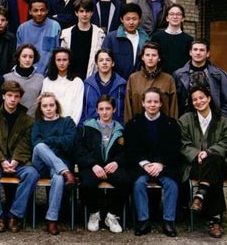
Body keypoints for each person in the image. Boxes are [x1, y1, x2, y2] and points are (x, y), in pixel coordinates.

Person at [178, 85, 227, 238]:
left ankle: (200, 196)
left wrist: (209, 152)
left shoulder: (222, 121)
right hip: (194, 165)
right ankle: (215, 220)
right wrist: (197, 153)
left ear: (209, 98)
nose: (199, 101)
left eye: (201, 98)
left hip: (219, 163)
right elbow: (181, 143)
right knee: (214, 171)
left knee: (214, 159)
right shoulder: (185, 120)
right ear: (191, 103)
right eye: (194, 100)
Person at [0, 80, 40, 233]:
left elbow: (26, 143)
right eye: (9, 95)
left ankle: (14, 215)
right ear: (3, 96)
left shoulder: (28, 120)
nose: (13, 99)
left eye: (16, 96)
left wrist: (16, 160)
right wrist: (1, 160)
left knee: (32, 173)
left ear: (20, 98)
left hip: (18, 161)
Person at [125, 87, 181, 237]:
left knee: (171, 184)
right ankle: (143, 221)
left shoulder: (171, 124)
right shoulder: (134, 124)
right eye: (149, 101)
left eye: (156, 101)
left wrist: (160, 163)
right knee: (138, 183)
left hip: (164, 166)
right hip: (141, 166)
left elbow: (175, 150)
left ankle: (169, 221)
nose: (152, 104)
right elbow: (130, 150)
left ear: (161, 104)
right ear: (143, 103)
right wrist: (144, 163)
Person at [75, 95, 128, 233]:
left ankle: (111, 215)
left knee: (125, 180)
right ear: (97, 110)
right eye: (101, 109)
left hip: (112, 166)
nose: (105, 112)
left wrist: (116, 162)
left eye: (108, 109)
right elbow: (80, 150)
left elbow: (126, 152)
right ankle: (94, 213)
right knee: (86, 182)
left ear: (114, 110)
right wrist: (93, 164)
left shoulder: (120, 130)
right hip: (93, 166)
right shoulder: (87, 128)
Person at [31, 92, 76, 235]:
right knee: (39, 147)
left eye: (51, 105)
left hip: (58, 164)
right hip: (41, 165)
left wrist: (49, 142)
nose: (49, 108)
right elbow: (36, 144)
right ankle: (66, 171)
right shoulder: (37, 124)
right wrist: (57, 142)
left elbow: (69, 144)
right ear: (40, 108)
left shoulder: (67, 122)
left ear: (56, 106)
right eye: (45, 106)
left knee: (57, 177)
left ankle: (51, 220)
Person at [173, 39, 227, 118]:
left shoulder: (219, 75)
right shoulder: (178, 75)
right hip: (187, 122)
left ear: (208, 53)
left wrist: (220, 122)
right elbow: (174, 103)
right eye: (195, 49)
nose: (198, 53)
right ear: (190, 52)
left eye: (202, 50)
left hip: (213, 121)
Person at [124, 42, 178, 123]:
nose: (150, 58)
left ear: (159, 58)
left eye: (154, 55)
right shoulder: (133, 78)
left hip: (163, 128)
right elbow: (128, 107)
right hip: (138, 128)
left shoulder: (168, 79)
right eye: (147, 55)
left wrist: (172, 127)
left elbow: (173, 108)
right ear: (142, 57)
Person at [60, 0, 105, 79]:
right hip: (70, 79)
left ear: (91, 13)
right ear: (76, 13)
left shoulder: (99, 34)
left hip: (91, 78)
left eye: (87, 11)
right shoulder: (66, 34)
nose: (84, 14)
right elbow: (62, 58)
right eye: (81, 11)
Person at [102, 3, 149, 80]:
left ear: (139, 19)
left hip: (139, 82)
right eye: (127, 19)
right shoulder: (111, 38)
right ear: (121, 19)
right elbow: (104, 61)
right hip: (116, 82)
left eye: (134, 19)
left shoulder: (145, 39)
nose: (131, 22)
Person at [16, 0, 61, 76]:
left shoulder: (55, 26)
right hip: (26, 75)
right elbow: (19, 54)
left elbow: (57, 53)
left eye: (42, 10)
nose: (39, 13)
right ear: (30, 11)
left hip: (48, 76)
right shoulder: (22, 29)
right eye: (35, 10)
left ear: (47, 10)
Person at [80, 49, 127, 125]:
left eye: (108, 60)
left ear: (113, 63)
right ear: (97, 63)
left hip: (115, 129)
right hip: (92, 129)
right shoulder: (88, 84)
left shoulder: (121, 84)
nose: (104, 63)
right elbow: (82, 109)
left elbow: (125, 110)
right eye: (101, 60)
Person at [42, 48, 84, 125]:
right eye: (58, 60)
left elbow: (78, 108)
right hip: (50, 126)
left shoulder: (77, 82)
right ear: (54, 62)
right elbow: (45, 105)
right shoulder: (47, 81)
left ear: (69, 62)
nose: (61, 63)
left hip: (70, 127)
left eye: (64, 60)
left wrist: (71, 127)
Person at [150, 4, 193, 74]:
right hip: (161, 77)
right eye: (171, 14)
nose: (175, 17)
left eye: (178, 14)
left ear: (183, 18)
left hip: (182, 78)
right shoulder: (156, 37)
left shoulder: (189, 40)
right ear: (167, 18)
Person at [4, 44, 44, 116]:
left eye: (31, 57)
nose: (27, 59)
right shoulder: (7, 78)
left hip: (33, 120)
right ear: (18, 58)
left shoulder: (40, 79)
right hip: (11, 120)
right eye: (24, 56)